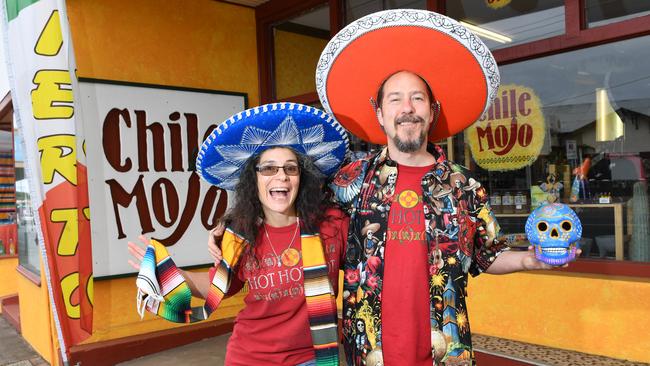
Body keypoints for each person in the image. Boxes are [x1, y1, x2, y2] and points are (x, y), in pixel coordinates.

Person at [311, 9, 581, 366]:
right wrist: (232, 228)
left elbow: (488, 254)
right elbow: (302, 232)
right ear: (378, 113)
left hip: (446, 349)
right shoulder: (351, 180)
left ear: (432, 110)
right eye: (395, 99)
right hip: (370, 351)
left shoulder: (462, 183)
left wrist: (531, 259)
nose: (407, 109)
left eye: (417, 98)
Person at [129, 102, 350, 366]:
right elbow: (215, 287)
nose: (281, 177)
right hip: (251, 358)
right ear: (252, 179)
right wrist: (167, 272)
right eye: (268, 168)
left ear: (302, 178)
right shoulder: (240, 235)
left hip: (313, 358)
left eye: (291, 168)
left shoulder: (332, 225)